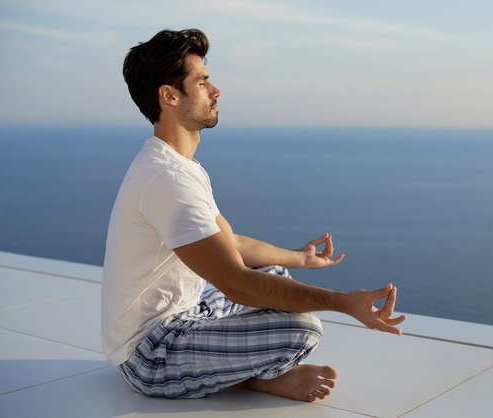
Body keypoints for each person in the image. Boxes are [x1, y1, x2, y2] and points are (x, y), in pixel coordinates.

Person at [101, 28, 406, 403]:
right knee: (302, 327)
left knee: (275, 276)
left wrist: (300, 258)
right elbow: (236, 284)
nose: (216, 91)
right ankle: (255, 379)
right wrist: (344, 302)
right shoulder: (166, 178)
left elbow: (230, 244)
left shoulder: (177, 166)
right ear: (170, 95)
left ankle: (248, 371)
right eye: (202, 81)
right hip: (152, 355)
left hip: (187, 311)